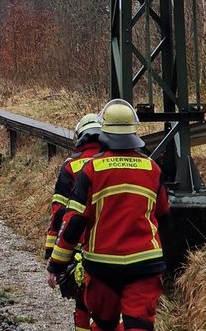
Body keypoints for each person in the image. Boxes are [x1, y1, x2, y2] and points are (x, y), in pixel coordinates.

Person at [47, 99, 169, 331]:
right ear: (134, 131)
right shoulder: (152, 168)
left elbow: (74, 221)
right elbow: (163, 216)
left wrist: (56, 264)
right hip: (145, 264)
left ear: (103, 131)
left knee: (103, 324)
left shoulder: (92, 169)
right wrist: (164, 259)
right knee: (139, 324)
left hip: (102, 265)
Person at [44, 113, 102, 331]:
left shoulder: (72, 166)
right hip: (111, 244)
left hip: (77, 244)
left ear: (80, 136)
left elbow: (59, 212)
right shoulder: (112, 162)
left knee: (83, 301)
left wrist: (52, 254)